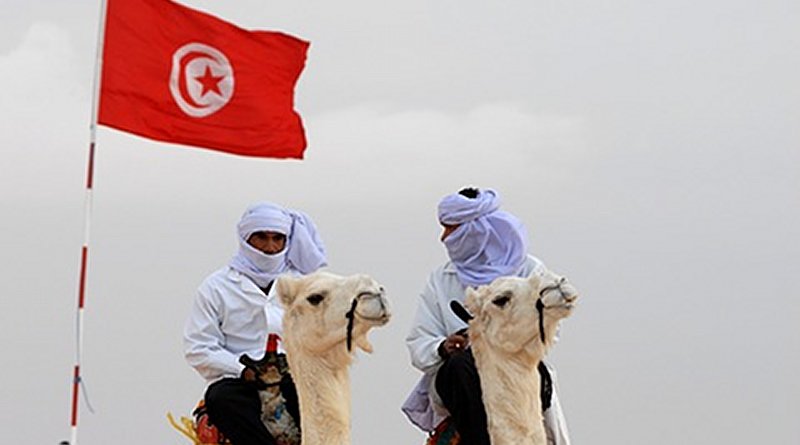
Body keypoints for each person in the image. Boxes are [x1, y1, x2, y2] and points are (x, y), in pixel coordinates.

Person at [403, 187, 571, 445]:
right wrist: (443, 347)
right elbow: (419, 341)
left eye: (451, 229)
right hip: (461, 378)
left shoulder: (529, 271)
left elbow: (550, 330)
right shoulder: (440, 280)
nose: (443, 238)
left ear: (475, 230)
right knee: (461, 366)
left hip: (517, 373)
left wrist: (496, 341)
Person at [184, 202, 327, 445]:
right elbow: (198, 348)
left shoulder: (305, 286)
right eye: (261, 238)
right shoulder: (216, 287)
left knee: (322, 399)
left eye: (278, 239)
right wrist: (243, 369)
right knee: (220, 397)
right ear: (245, 238)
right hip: (240, 382)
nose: (270, 247)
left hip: (292, 378)